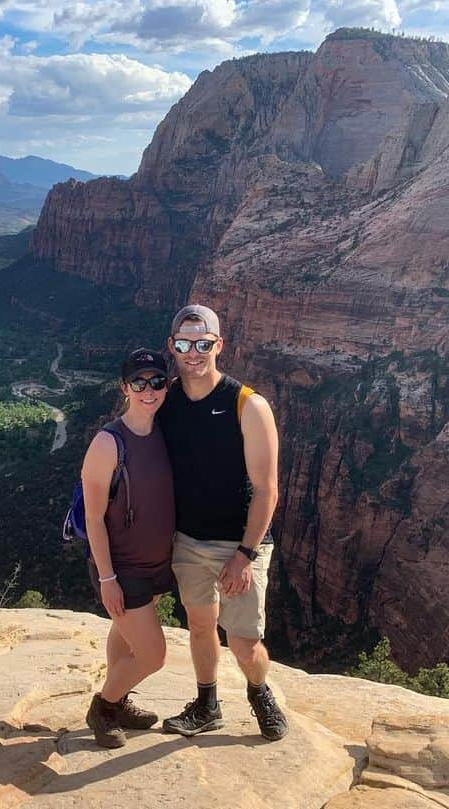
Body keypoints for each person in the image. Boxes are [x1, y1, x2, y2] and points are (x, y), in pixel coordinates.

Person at [156, 304, 289, 741]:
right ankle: (207, 704)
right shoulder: (165, 400)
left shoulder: (248, 405)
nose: (192, 353)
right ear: (172, 347)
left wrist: (245, 555)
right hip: (188, 540)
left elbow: (268, 490)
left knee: (244, 641)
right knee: (199, 624)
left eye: (202, 343)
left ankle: (258, 691)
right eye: (183, 344)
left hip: (241, 544)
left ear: (219, 345)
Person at [82, 348, 176, 749]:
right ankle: (104, 705)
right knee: (154, 655)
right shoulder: (108, 443)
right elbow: (92, 519)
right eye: (139, 382)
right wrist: (107, 578)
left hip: (157, 564)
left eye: (157, 381)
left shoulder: (164, 432)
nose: (149, 389)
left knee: (125, 635)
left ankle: (119, 701)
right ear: (125, 388)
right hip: (121, 568)